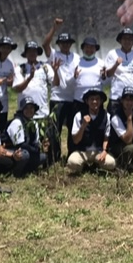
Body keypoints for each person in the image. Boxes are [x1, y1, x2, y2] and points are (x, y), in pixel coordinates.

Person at [46, 25, 80, 166]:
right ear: (59, 44)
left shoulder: (76, 57)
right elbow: (44, 44)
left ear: (71, 44)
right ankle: (54, 158)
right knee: (54, 130)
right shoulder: (54, 55)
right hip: (57, 99)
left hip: (72, 99)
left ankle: (72, 156)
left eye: (67, 43)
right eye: (62, 43)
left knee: (73, 129)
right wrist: (54, 27)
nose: (65, 45)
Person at [67, 88, 117, 174]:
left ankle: (96, 165)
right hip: (82, 151)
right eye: (92, 99)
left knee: (111, 163)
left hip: (99, 151)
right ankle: (85, 166)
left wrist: (105, 151)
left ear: (101, 101)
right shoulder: (79, 116)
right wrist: (83, 126)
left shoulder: (106, 116)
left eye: (97, 99)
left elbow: (106, 137)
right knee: (72, 162)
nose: (94, 102)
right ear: (87, 101)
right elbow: (75, 140)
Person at [104, 28, 133, 113]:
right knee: (114, 123)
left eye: (130, 39)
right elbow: (108, 74)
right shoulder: (112, 53)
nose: (127, 41)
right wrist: (116, 64)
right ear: (120, 40)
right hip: (116, 96)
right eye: (125, 39)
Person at [3, 97, 48, 177]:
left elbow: (36, 142)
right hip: (12, 150)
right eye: (26, 108)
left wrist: (40, 147)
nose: (29, 111)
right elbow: (20, 145)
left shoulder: (34, 123)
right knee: (24, 154)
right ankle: (15, 173)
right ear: (22, 110)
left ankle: (26, 170)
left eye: (31, 108)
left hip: (28, 149)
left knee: (42, 156)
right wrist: (35, 149)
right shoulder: (17, 122)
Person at [14, 41, 54, 120]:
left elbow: (55, 83)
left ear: (37, 53)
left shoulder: (45, 67)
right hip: (24, 113)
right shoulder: (19, 69)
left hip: (42, 112)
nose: (32, 53)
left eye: (34, 51)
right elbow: (18, 89)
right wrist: (30, 77)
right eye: (29, 51)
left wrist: (56, 71)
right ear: (25, 54)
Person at [73, 37, 108, 117]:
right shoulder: (76, 62)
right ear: (83, 49)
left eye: (92, 47)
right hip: (79, 100)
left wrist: (104, 77)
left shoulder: (101, 63)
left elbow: (105, 82)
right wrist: (74, 77)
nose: (89, 50)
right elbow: (70, 81)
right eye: (87, 47)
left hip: (96, 102)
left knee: (96, 125)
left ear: (95, 49)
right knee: (77, 125)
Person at [0, 36, 18, 126]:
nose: (5, 50)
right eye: (3, 47)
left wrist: (10, 83)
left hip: (3, 100)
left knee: (2, 125)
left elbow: (11, 83)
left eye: (8, 48)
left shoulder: (10, 64)